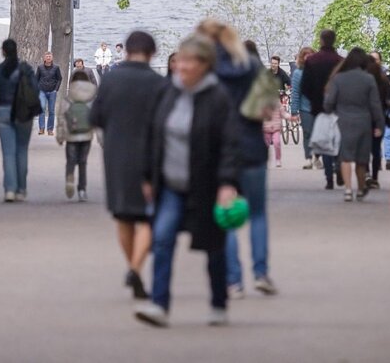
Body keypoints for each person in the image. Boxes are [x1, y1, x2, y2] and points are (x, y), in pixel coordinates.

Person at [135, 34, 240, 328]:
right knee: (163, 238)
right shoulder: (167, 92)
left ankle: (219, 303)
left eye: (188, 61)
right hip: (170, 184)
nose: (181, 66)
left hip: (207, 185)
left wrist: (227, 183)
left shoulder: (218, 98)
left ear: (204, 64)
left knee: (213, 247)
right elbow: (152, 136)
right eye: (179, 60)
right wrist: (146, 176)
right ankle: (159, 305)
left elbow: (230, 144)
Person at [196, 19, 277, 300]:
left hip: (219, 151)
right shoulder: (252, 66)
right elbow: (268, 109)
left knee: (225, 217)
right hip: (252, 145)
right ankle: (261, 273)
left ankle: (233, 280)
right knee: (257, 213)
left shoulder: (206, 70)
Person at [90, 31, 167, 300]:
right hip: (151, 156)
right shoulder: (159, 84)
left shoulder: (111, 80)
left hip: (117, 156)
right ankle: (135, 268)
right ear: (152, 53)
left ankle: (131, 266)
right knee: (148, 217)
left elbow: (95, 117)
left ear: (126, 51)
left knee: (123, 216)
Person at [323, 48, 384, 202]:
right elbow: (375, 104)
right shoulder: (368, 79)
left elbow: (329, 102)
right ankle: (361, 188)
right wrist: (379, 124)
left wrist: (329, 110)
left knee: (345, 157)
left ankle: (348, 189)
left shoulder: (338, 79)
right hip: (364, 121)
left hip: (343, 122)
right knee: (361, 159)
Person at [0, 39, 38, 202]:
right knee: (21, 150)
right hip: (23, 113)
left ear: (3, 51)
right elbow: (35, 90)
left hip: (3, 112)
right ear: (16, 50)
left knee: (8, 152)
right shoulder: (26, 69)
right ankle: (21, 190)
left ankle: (9, 189)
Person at [301, 30, 345, 189]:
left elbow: (304, 86)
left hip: (319, 107)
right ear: (334, 40)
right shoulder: (341, 61)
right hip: (339, 106)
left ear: (321, 40)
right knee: (338, 138)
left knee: (324, 140)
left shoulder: (312, 61)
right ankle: (339, 164)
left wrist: (315, 99)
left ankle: (329, 178)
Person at [56, 71, 97, 201]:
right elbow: (97, 118)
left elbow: (61, 118)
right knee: (83, 161)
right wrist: (102, 138)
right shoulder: (91, 98)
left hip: (71, 134)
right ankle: (82, 190)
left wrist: (60, 136)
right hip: (87, 134)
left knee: (71, 160)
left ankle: (69, 178)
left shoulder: (68, 98)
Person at [365, 54, 390, 188]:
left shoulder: (363, 80)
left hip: (364, 117)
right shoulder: (383, 80)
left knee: (365, 147)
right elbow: (389, 98)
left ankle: (366, 173)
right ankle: (375, 176)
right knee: (376, 148)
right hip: (380, 117)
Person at [371, 50, 390, 170]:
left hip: (387, 110)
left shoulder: (388, 74)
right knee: (375, 137)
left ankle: (388, 159)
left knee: (388, 134)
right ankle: (377, 158)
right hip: (372, 110)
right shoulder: (366, 74)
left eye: (376, 59)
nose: (374, 62)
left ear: (380, 60)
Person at [290, 47, 316, 170]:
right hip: (305, 108)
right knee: (307, 133)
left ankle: (317, 156)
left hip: (318, 107)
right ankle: (309, 158)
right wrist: (294, 111)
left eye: (310, 55)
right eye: (305, 55)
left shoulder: (318, 71)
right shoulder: (298, 73)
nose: (308, 57)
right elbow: (295, 93)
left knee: (318, 134)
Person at [35, 52, 62, 136]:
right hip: (41, 91)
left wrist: (56, 90)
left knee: (51, 111)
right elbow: (36, 79)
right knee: (42, 109)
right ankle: (41, 128)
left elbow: (59, 79)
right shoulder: (40, 67)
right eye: (47, 56)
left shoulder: (56, 67)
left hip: (52, 92)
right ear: (44, 58)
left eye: (50, 56)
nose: (48, 58)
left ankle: (50, 129)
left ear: (52, 58)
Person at [263, 92, 285, 169]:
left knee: (277, 142)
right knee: (266, 145)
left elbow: (284, 113)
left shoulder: (278, 103)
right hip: (266, 128)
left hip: (276, 128)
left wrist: (291, 117)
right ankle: (264, 160)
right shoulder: (263, 104)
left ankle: (278, 159)